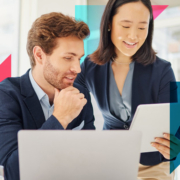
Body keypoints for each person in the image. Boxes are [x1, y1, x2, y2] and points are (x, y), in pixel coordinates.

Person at [75, 0, 179, 179]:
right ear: (109, 24)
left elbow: (173, 123)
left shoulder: (163, 70)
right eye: (126, 25)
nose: (133, 36)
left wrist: (175, 149)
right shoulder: (89, 68)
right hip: (110, 160)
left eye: (141, 28)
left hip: (153, 164)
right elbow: (78, 118)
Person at [0, 12, 95, 180]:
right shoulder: (6, 96)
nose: (77, 69)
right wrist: (60, 118)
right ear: (39, 55)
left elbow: (90, 156)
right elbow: (14, 171)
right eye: (68, 58)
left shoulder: (80, 93)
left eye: (78, 59)